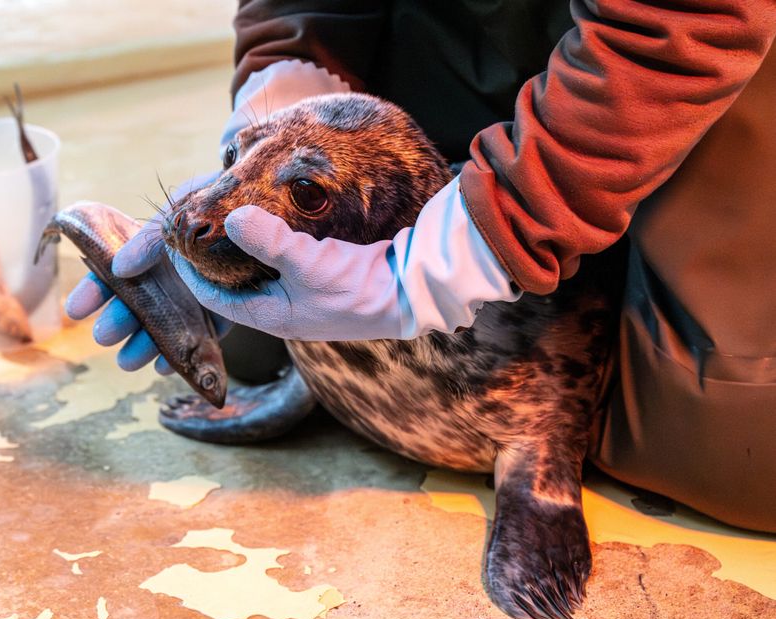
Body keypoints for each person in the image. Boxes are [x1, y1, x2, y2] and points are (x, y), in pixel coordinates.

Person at [68, 1, 776, 532]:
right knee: (250, 339)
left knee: (731, 447)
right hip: (445, 27)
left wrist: (483, 238)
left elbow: (685, 25)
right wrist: (286, 75)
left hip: (685, 62)